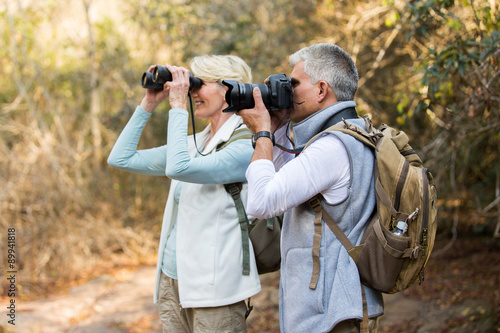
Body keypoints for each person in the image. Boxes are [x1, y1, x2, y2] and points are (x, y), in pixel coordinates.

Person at [237, 43, 384, 332]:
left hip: (330, 311)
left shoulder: (331, 147)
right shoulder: (345, 134)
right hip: (328, 304)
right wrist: (278, 128)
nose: (287, 92)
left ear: (321, 90)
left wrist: (263, 133)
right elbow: (277, 182)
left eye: (294, 84)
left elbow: (260, 202)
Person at [108, 55, 261, 333]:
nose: (191, 91)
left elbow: (179, 168)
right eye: (192, 83)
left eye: (199, 83)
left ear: (229, 88)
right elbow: (121, 158)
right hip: (173, 281)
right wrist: (149, 104)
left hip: (215, 291)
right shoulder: (194, 142)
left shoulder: (246, 145)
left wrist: (178, 106)